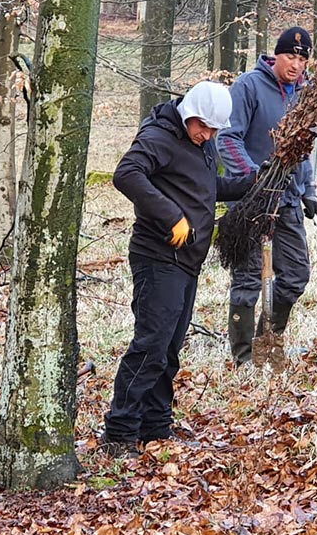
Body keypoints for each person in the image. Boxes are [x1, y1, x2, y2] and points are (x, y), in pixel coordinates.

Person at [100, 81, 255, 458]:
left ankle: (156, 426)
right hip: (157, 258)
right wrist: (171, 216)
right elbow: (127, 174)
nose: (208, 135)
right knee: (151, 343)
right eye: (203, 127)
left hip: (188, 261)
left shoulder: (201, 143)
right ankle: (120, 432)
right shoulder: (159, 136)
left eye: (215, 130)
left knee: (169, 347)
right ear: (189, 113)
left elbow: (205, 187)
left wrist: (251, 183)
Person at [216, 26, 317, 365]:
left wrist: (309, 190)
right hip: (251, 200)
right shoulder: (248, 87)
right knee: (247, 279)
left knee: (295, 276)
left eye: (302, 59)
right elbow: (227, 139)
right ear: (276, 55)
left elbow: (303, 150)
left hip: (288, 200)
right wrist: (252, 176)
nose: (296, 64)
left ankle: (267, 342)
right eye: (290, 56)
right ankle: (244, 359)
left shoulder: (306, 93)